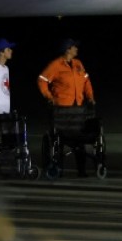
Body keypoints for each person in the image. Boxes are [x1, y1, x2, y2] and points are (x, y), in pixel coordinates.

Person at [38, 39, 95, 176]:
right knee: (61, 139)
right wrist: (49, 97)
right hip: (62, 108)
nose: (76, 49)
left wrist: (90, 96)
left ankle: (82, 171)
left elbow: (86, 80)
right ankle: (59, 170)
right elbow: (42, 80)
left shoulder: (78, 64)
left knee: (80, 139)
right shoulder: (55, 65)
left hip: (78, 108)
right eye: (74, 47)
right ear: (67, 49)